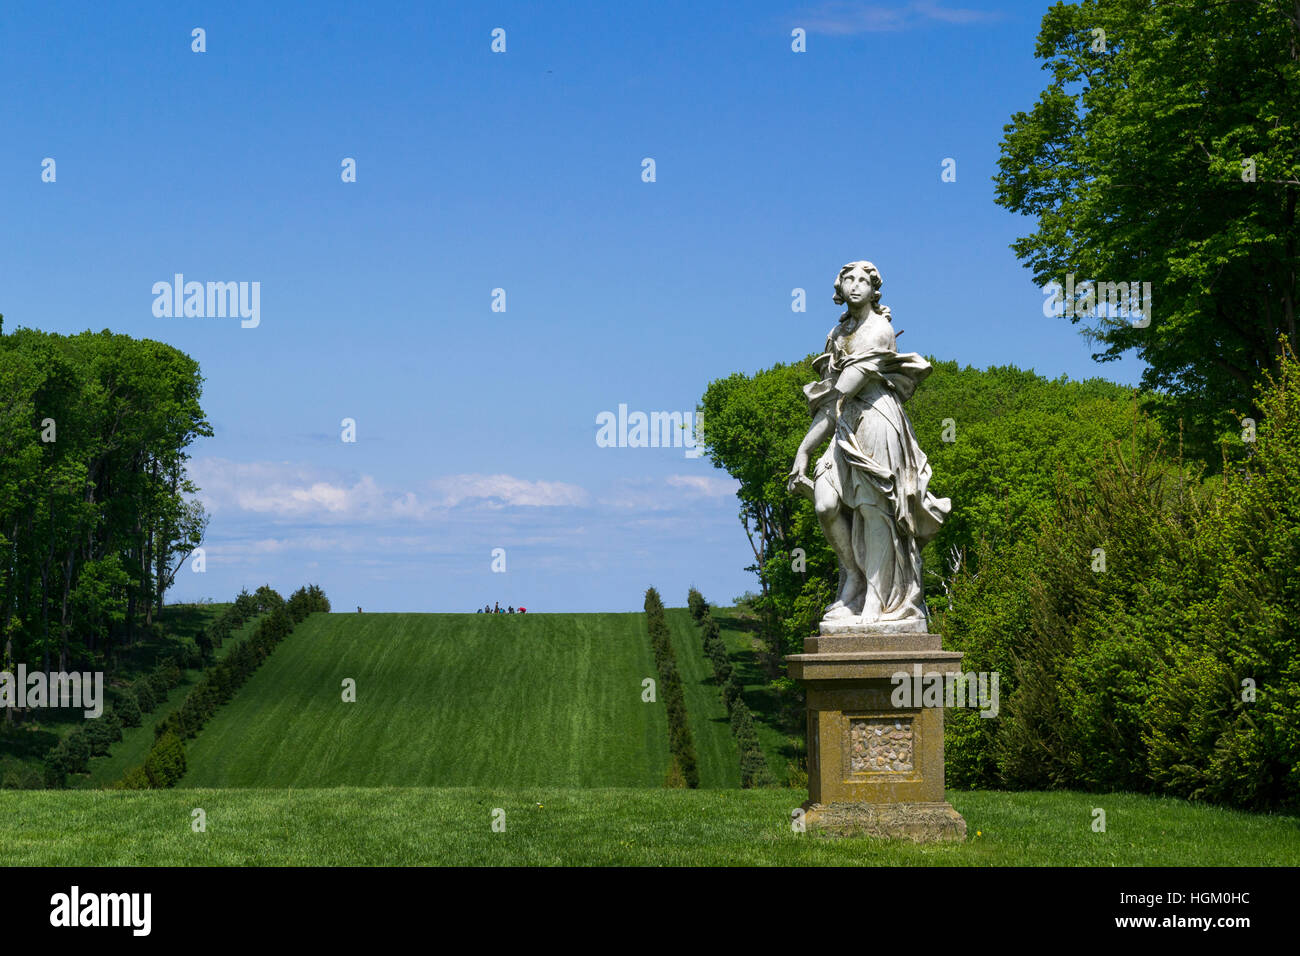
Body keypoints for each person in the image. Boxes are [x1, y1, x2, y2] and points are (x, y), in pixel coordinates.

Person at [786, 260, 950, 625]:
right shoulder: (838, 331)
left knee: (875, 512)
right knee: (826, 505)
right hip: (845, 422)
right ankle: (854, 577)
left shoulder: (879, 330)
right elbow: (833, 405)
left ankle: (877, 599)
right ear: (839, 287)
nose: (856, 285)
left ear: (875, 290)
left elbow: (840, 391)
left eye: (864, 280)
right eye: (849, 279)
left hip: (876, 421)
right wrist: (805, 449)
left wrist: (807, 444)